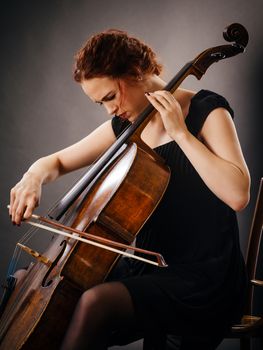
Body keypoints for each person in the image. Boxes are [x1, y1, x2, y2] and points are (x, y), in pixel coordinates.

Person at [9, 29, 250, 349]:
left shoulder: (207, 110)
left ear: (137, 72)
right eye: (100, 103)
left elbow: (238, 195)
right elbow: (55, 162)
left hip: (203, 277)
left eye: (110, 97)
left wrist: (181, 134)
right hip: (149, 267)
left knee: (96, 302)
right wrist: (32, 177)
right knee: (30, 283)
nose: (109, 110)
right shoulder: (126, 125)